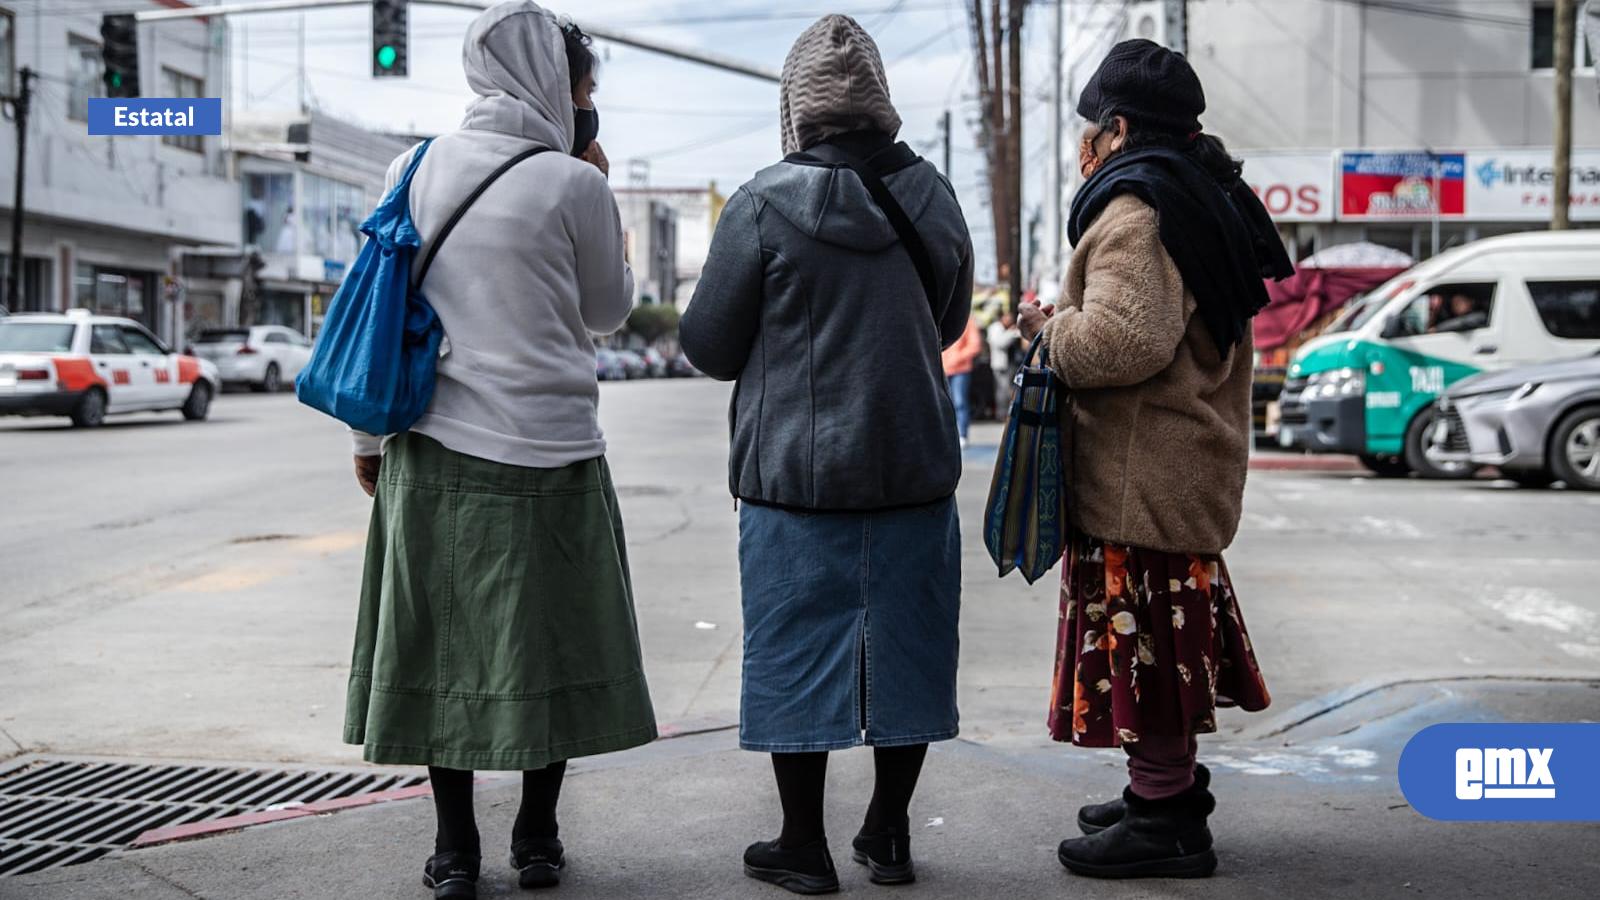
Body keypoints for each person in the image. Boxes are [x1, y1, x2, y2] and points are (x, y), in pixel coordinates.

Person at [342, 5, 655, 898]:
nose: (586, 103)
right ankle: (538, 837)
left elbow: (377, 306)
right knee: (546, 647)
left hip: (433, 447)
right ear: (555, 84)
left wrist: (369, 436)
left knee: (440, 652)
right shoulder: (575, 182)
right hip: (554, 450)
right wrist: (600, 191)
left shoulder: (412, 167)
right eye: (583, 87)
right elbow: (608, 312)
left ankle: (453, 852)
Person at [679, 14, 974, 895]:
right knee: (910, 649)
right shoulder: (933, 196)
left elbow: (708, 344)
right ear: (878, 99)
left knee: (793, 650)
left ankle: (800, 844)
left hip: (793, 481)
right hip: (913, 463)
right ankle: (887, 834)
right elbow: (950, 324)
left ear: (795, 108)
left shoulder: (761, 204)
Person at [1017, 39, 1282, 880]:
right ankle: (1157, 792)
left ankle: (1164, 819)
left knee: (1149, 654)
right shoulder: (1196, 190)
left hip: (1148, 475)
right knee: (1158, 649)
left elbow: (1122, 341)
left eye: (1088, 132)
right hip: (1174, 466)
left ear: (1118, 128)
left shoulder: (1140, 208)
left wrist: (1047, 331)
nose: (1082, 149)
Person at [942, 317, 983, 446]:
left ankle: (962, 435)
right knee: (943, 404)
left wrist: (957, 358)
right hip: (942, 368)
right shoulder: (939, 317)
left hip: (960, 370)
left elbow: (975, 345)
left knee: (960, 402)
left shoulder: (967, 321)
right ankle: (946, 435)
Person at [986, 310, 1021, 413]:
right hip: (1000, 364)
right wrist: (1012, 333)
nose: (1009, 320)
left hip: (1010, 364)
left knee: (1009, 388)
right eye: (1007, 317)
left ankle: (1007, 412)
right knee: (1003, 390)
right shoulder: (995, 328)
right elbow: (1000, 343)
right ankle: (1002, 413)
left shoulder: (1005, 328)